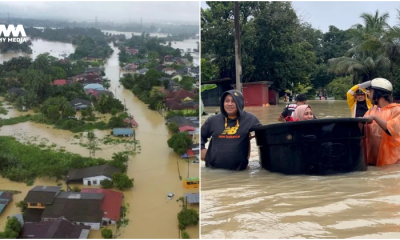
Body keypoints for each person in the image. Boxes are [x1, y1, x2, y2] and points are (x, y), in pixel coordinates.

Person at [200, 90, 261, 170]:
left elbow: (264, 136)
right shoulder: (213, 120)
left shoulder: (250, 119)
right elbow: (201, 135)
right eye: (227, 101)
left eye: (233, 101)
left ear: (240, 103)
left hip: (239, 172)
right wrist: (201, 149)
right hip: (213, 170)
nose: (229, 104)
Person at [362, 78, 400, 166]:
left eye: (370, 92)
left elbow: (391, 130)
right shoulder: (371, 111)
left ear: (378, 93)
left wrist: (375, 118)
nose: (369, 96)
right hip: (372, 160)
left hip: (392, 161)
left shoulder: (397, 110)